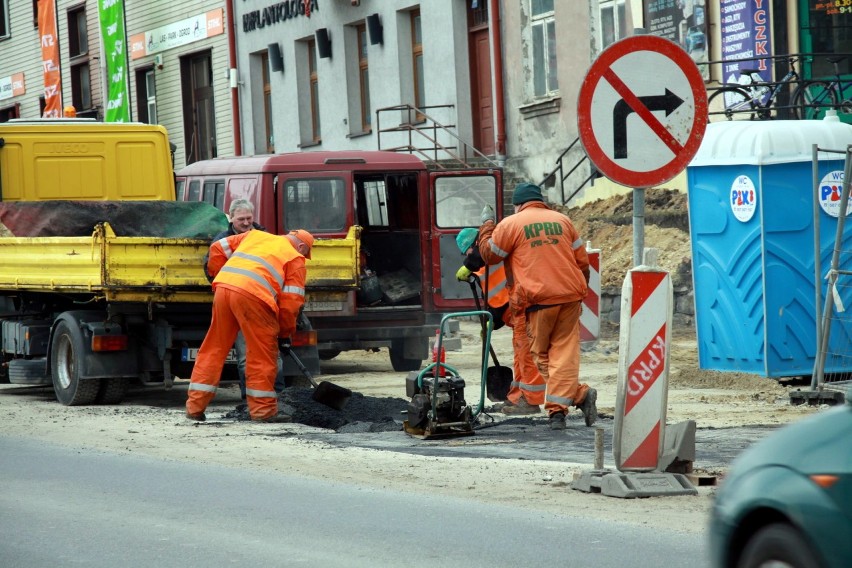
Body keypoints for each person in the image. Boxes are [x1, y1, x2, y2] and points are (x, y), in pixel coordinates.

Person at [476, 182, 597, 430]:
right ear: (540, 201)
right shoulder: (563, 221)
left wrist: (487, 226)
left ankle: (576, 398)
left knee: (541, 356)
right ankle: (558, 411)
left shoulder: (511, 224)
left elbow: (489, 255)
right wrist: (580, 290)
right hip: (570, 297)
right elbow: (582, 262)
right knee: (563, 355)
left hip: (538, 300)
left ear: (518, 205)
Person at [186, 229, 314, 422]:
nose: (303, 256)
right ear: (302, 247)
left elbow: (217, 248)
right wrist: (284, 334)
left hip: (224, 289)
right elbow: (290, 305)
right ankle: (263, 411)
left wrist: (218, 275)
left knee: (213, 348)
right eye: (305, 253)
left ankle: (194, 407)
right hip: (253, 296)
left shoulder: (254, 235)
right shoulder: (295, 258)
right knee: (261, 354)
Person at [454, 228, 545, 414]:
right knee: (521, 356)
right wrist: (493, 321)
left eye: (467, 251)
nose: (467, 255)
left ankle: (531, 401)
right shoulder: (482, 264)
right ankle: (518, 397)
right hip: (515, 313)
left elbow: (503, 294)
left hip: (525, 310)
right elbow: (497, 297)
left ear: (475, 244)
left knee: (528, 357)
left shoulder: (490, 254)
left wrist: (492, 319)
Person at [205, 199, 285, 399]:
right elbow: (211, 269)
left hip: (264, 303)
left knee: (272, 355)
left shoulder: (264, 238)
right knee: (245, 357)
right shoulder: (222, 242)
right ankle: (248, 400)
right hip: (238, 304)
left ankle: (280, 396)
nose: (246, 222)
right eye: (241, 219)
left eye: (249, 218)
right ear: (231, 218)